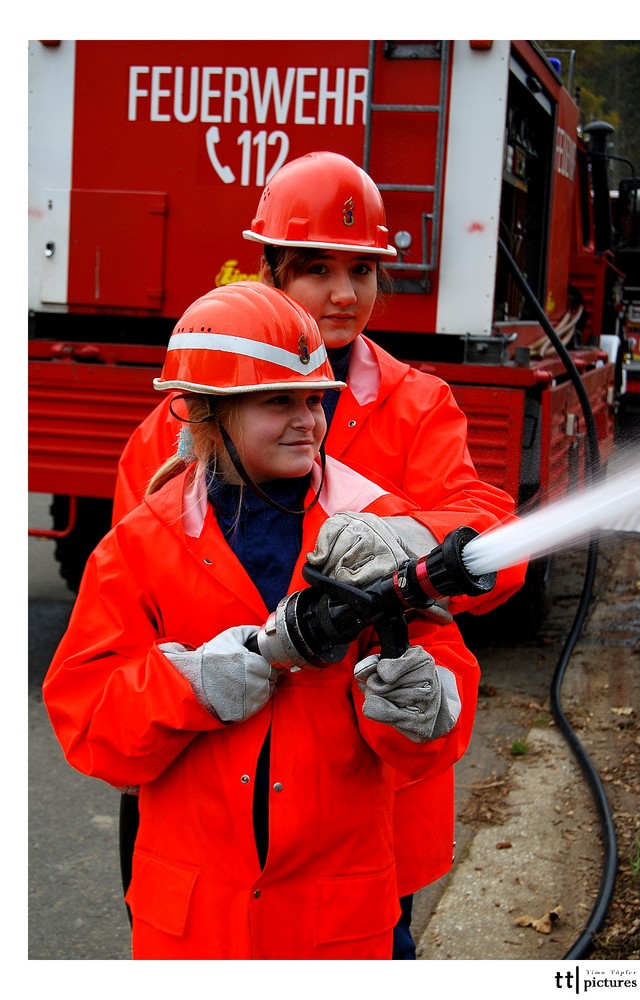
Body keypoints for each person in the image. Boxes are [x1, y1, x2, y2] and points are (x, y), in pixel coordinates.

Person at [112, 151, 528, 958]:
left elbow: (491, 536)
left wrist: (400, 532)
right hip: (203, 797)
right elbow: (125, 605)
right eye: (315, 270)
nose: (344, 294)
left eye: (362, 271)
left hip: (359, 796)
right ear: (268, 272)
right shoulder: (178, 424)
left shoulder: (415, 403)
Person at [42, 282, 481, 960]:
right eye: (279, 400)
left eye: (315, 399)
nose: (308, 419)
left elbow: (437, 680)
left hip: (337, 912)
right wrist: (190, 684)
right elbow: (86, 719)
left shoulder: (371, 527)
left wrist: (425, 706)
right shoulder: (141, 543)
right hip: (194, 917)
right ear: (204, 415)